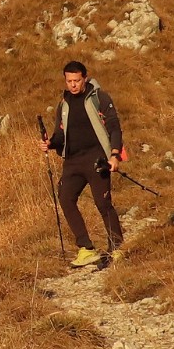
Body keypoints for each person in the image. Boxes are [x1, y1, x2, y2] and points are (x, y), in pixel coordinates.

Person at [37, 60, 125, 267]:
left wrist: (114, 155)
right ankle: (86, 249)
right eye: (69, 81)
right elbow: (60, 135)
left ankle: (118, 247)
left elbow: (114, 127)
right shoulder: (64, 104)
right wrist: (49, 143)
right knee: (66, 198)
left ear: (85, 78)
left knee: (103, 203)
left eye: (77, 80)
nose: (73, 85)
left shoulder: (99, 98)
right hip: (73, 162)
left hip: (97, 160)